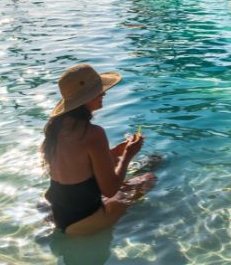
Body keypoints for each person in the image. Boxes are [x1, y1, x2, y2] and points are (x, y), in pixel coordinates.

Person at [41, 64, 156, 235]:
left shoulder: (56, 128)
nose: (103, 93)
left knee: (129, 181)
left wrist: (116, 152)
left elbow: (78, 167)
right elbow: (110, 190)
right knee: (148, 178)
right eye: (98, 90)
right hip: (85, 221)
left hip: (60, 214)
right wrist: (128, 155)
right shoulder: (92, 133)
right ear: (85, 98)